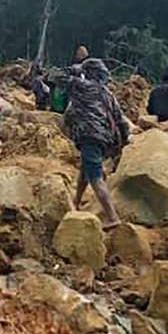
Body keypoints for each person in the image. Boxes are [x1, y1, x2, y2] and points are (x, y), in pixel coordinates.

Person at [56, 58, 129, 228]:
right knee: (85, 170)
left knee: (95, 177)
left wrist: (74, 69)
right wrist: (123, 143)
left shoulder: (82, 86)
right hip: (106, 139)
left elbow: (55, 76)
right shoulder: (108, 94)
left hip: (90, 136)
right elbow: (121, 121)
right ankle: (76, 202)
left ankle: (112, 217)